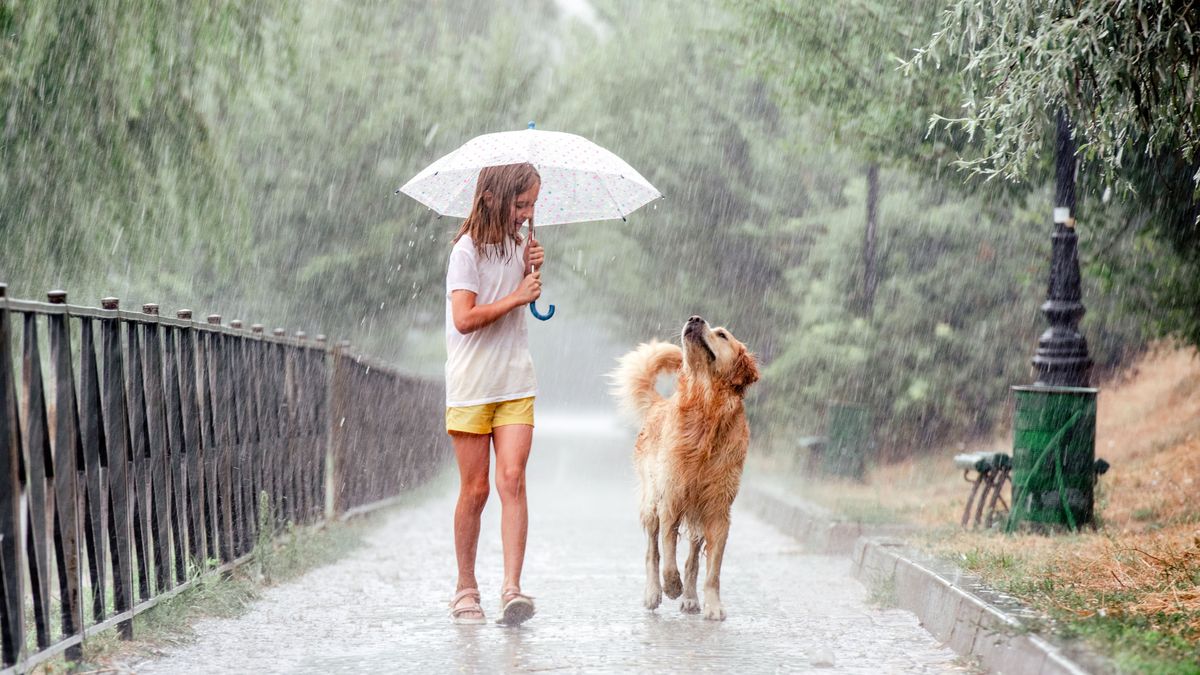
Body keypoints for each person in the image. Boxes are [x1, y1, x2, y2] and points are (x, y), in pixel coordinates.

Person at [444, 162, 544, 626]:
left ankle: (512, 588)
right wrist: (517, 296)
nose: (526, 213)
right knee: (477, 489)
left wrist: (530, 273)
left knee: (512, 479)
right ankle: (466, 587)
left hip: (514, 383)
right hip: (471, 387)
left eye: (532, 205)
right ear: (493, 197)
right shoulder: (465, 251)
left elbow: (523, 299)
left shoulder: (522, 245)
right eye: (520, 204)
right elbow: (465, 319)